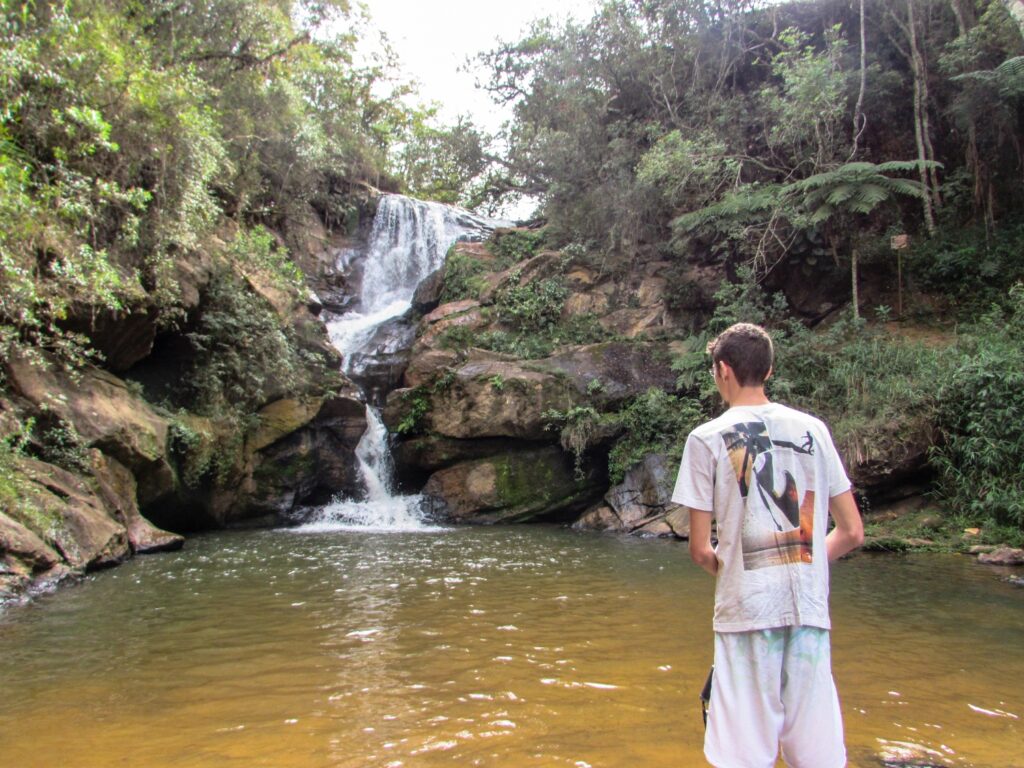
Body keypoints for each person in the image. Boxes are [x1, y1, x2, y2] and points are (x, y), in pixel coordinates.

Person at [672, 322, 864, 768]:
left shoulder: (705, 439)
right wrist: (799, 560)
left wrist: (740, 564)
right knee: (817, 756)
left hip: (746, 615)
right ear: (769, 369)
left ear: (722, 370)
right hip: (809, 613)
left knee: (742, 756)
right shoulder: (814, 430)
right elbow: (852, 532)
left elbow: (700, 550)